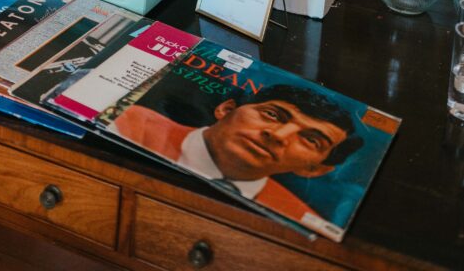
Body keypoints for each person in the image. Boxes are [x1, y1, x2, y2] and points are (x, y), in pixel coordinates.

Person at [109, 83, 363, 223]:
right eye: (272, 115)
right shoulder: (128, 124)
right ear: (227, 109)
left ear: (315, 169)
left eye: (310, 140)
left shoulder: (296, 219)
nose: (277, 135)